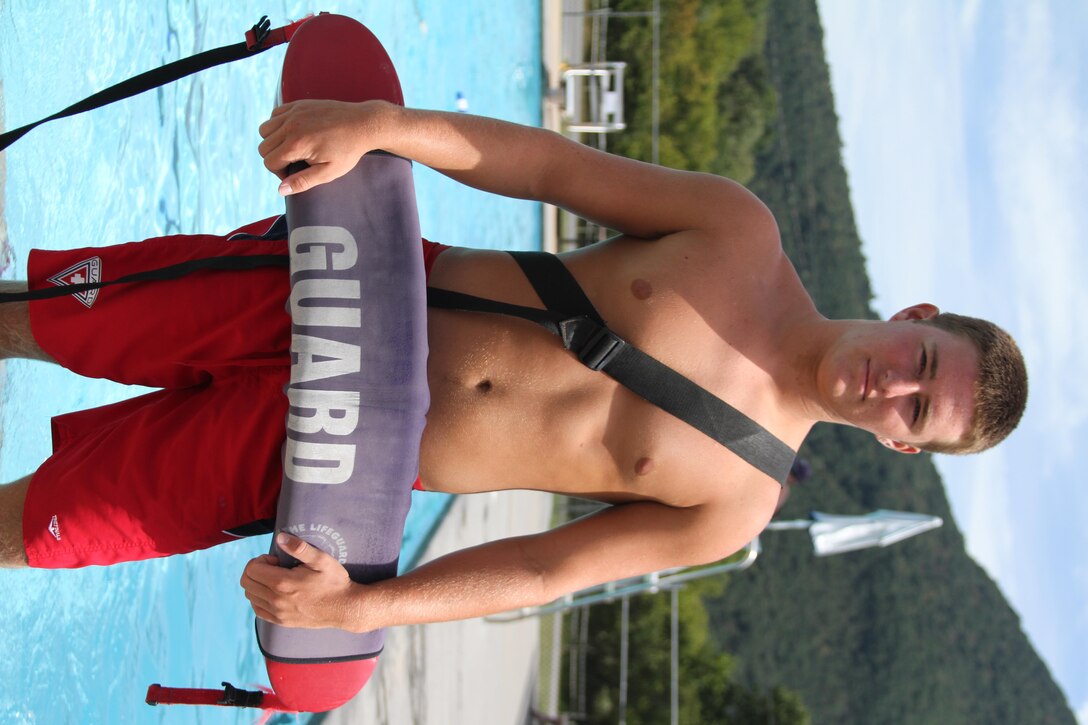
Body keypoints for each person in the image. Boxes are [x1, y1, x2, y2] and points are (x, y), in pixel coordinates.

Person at [0, 100, 1027, 636]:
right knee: (27, 322)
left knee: (37, 526)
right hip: (335, 283)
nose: (891, 384)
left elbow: (547, 571)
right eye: (918, 360)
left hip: (323, 460)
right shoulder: (736, 235)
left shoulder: (735, 504)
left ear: (900, 442)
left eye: (915, 409)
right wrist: (381, 129)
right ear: (914, 315)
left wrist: (364, 605)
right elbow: (551, 167)